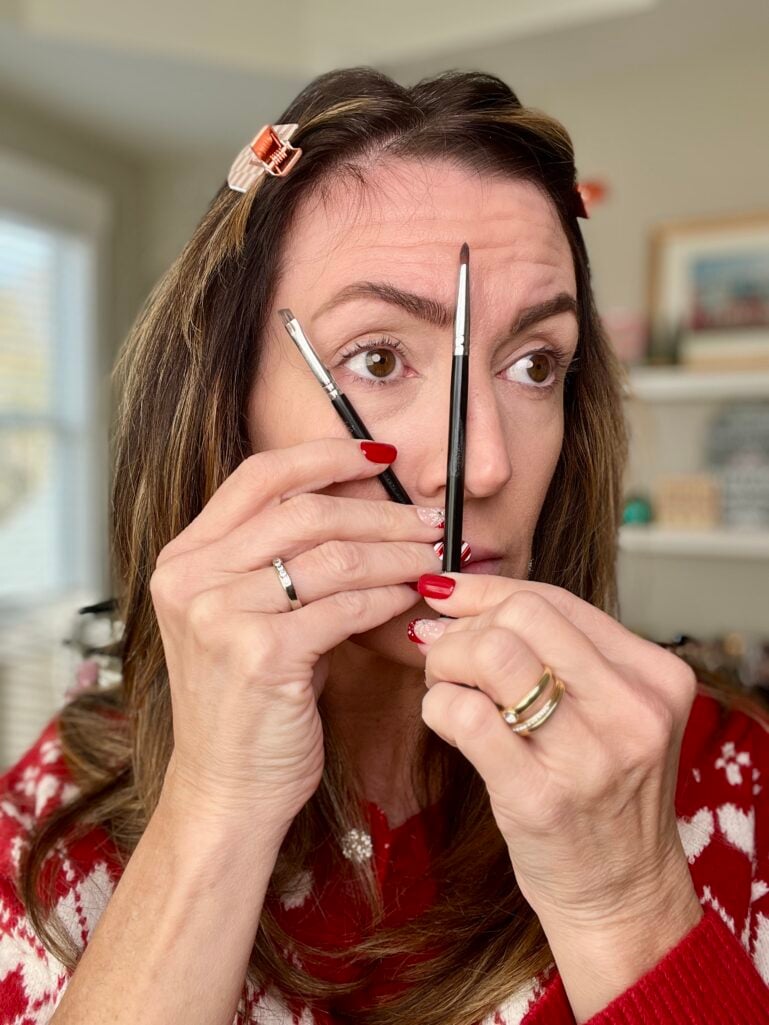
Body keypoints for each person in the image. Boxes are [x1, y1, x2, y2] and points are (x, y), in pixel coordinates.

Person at [1, 66, 768, 1025]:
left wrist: (628, 906)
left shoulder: (727, 777)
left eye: (535, 365)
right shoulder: (58, 800)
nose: (483, 464)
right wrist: (213, 806)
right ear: (228, 407)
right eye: (375, 358)